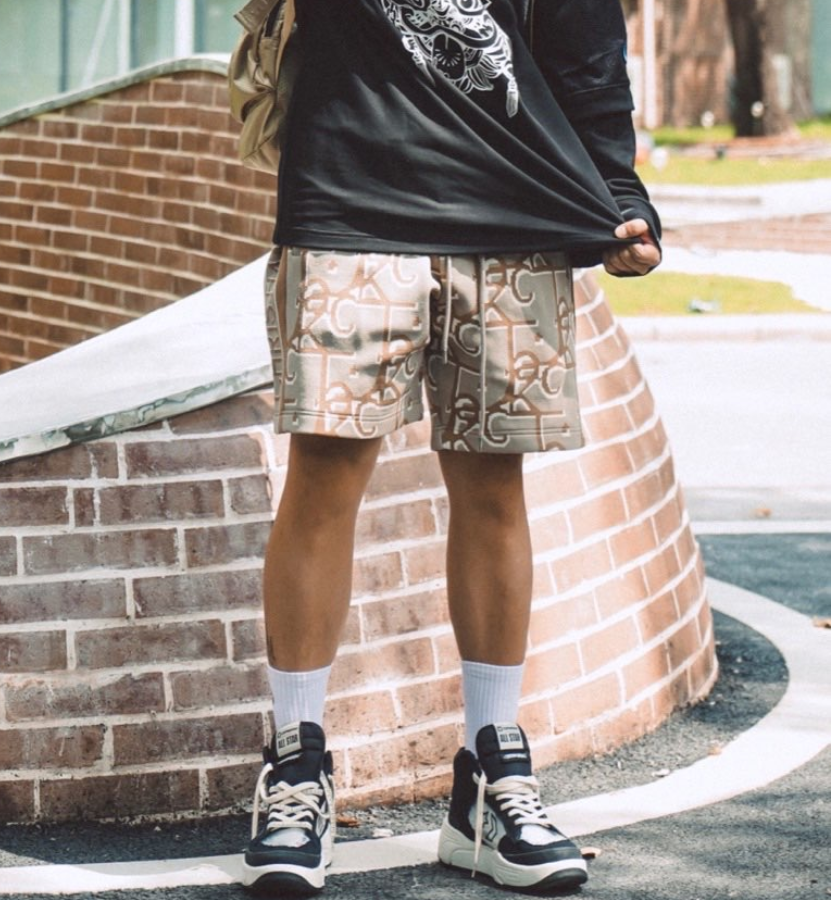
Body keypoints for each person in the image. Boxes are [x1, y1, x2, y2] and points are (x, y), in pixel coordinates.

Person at [239, 0, 662, 894]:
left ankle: (491, 779)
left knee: (493, 489)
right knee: (323, 475)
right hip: (348, 196)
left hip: (514, 211)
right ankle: (295, 767)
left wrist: (620, 194)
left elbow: (585, 46)